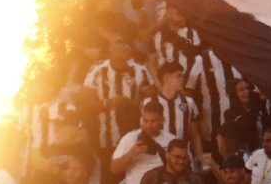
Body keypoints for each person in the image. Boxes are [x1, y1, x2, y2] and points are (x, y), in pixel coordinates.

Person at [80, 40, 153, 180]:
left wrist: (135, 103)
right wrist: (108, 103)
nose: (122, 54)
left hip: (134, 137)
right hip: (107, 138)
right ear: (110, 52)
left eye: (125, 51)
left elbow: (152, 98)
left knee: (136, 176)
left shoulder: (139, 70)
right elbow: (84, 105)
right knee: (110, 177)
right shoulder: (97, 72)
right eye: (118, 51)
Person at [142, 62, 203, 163]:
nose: (182, 79)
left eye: (182, 76)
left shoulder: (188, 102)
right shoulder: (148, 102)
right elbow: (144, 133)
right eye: (178, 76)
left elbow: (194, 134)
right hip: (157, 160)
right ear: (166, 78)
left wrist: (200, 157)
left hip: (183, 159)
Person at [111, 101, 176, 184]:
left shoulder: (171, 140)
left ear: (162, 120)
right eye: (145, 121)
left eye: (153, 121)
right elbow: (114, 169)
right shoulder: (130, 138)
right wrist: (131, 154)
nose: (149, 125)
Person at [140, 139, 204, 184]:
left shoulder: (194, 180)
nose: (181, 161)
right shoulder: (152, 177)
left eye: (185, 158)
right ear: (167, 155)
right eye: (177, 157)